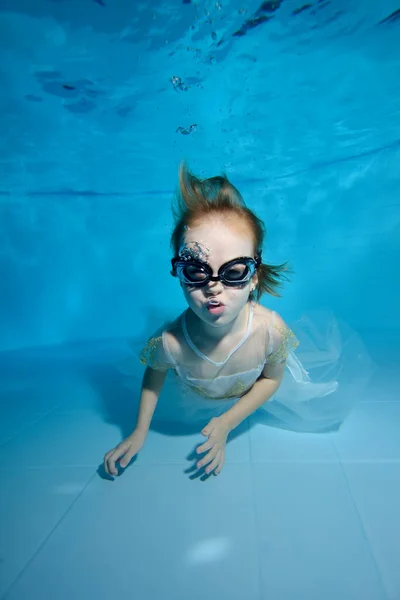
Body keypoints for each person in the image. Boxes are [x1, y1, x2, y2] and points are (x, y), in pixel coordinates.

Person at [104, 163, 371, 478]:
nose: (213, 287)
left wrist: (227, 422)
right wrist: (138, 431)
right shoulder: (170, 342)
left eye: (233, 272)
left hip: (252, 392)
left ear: (254, 276)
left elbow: (271, 379)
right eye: (195, 271)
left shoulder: (270, 331)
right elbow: (154, 376)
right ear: (177, 273)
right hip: (194, 394)